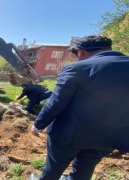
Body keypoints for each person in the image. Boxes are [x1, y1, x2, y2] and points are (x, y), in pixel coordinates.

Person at [30, 35, 129, 180]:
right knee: (84, 170)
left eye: (75, 54)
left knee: (53, 168)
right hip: (108, 137)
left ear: (80, 51)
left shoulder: (77, 68)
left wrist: (38, 125)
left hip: (68, 134)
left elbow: (56, 101)